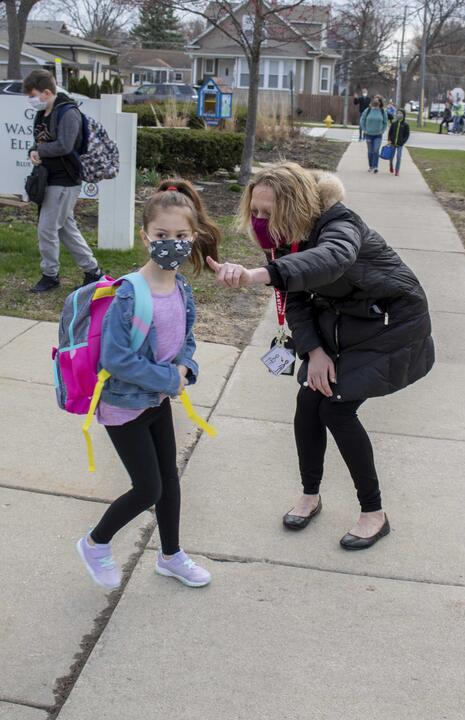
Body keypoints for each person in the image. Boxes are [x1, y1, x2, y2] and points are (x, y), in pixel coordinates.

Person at [206, 162, 434, 549]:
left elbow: (333, 258)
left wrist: (259, 275)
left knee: (336, 408)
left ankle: (374, 514)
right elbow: (296, 298)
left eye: (268, 212)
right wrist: (313, 351)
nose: (260, 221)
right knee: (308, 401)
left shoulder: (339, 225)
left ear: (294, 206)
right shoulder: (287, 236)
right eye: (255, 212)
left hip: (392, 324)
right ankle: (310, 495)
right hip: (347, 323)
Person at [76, 181, 220, 589]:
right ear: (146, 236)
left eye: (180, 236)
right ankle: (95, 542)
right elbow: (116, 358)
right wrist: (169, 379)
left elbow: (186, 340)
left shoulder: (182, 288)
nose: (171, 244)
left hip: (157, 400)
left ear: (192, 238)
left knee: (168, 482)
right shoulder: (128, 293)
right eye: (162, 236)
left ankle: (171, 556)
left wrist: (187, 367)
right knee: (148, 488)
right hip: (124, 406)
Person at [23, 69, 103, 294]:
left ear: (47, 92)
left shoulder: (68, 113)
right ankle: (93, 272)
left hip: (65, 180)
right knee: (66, 228)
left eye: (33, 95)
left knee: (46, 230)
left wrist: (39, 150)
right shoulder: (43, 113)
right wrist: (33, 151)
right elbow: (39, 141)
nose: (31, 100)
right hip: (50, 178)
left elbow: (65, 145)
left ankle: (50, 275)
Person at [360, 98, 387, 174]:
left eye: (377, 101)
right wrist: (364, 129)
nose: (375, 102)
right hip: (368, 134)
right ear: (372, 102)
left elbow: (385, 122)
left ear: (379, 103)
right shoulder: (367, 110)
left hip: (378, 135)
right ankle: (371, 166)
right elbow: (362, 120)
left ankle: (375, 167)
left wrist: (382, 131)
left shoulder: (382, 111)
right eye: (374, 100)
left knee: (376, 150)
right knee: (370, 151)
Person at [387, 108, 410, 176]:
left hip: (400, 144)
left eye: (400, 113)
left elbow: (407, 135)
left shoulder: (405, 125)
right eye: (398, 113)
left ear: (403, 115)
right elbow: (390, 132)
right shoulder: (394, 123)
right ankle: (391, 165)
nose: (399, 114)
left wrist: (403, 142)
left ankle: (397, 170)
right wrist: (389, 140)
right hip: (393, 143)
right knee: (391, 157)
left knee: (399, 157)